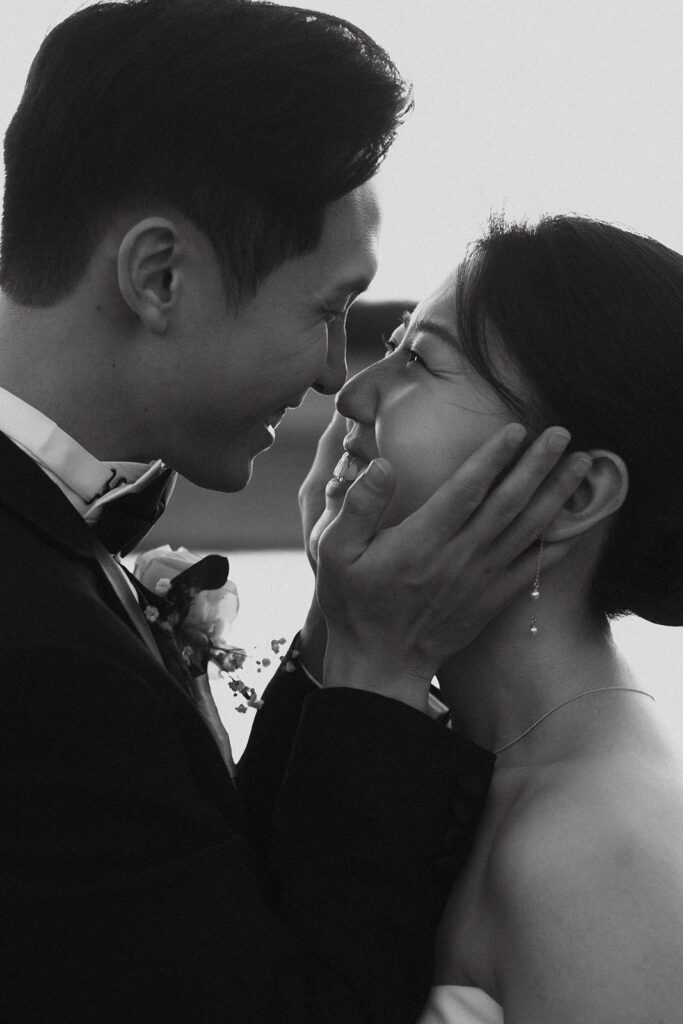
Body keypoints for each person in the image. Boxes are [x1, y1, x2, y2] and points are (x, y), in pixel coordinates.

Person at [0, 2, 587, 1021]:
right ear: (159, 275)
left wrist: (336, 641)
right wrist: (378, 671)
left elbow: (196, 909)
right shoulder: (32, 652)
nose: (333, 378)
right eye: (325, 311)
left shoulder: (46, 557)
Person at [306, 214, 683, 1023]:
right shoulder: (473, 765)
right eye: (392, 345)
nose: (353, 394)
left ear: (576, 495)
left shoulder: (595, 853)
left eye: (420, 361)